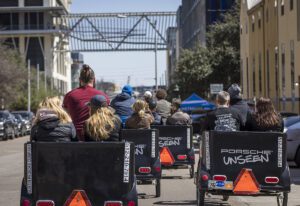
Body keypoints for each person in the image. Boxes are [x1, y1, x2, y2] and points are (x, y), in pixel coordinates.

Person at [63, 64, 110, 141]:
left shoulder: (69, 96)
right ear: (94, 80)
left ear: (79, 80)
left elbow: (66, 117)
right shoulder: (104, 97)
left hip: (75, 139)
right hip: (98, 138)